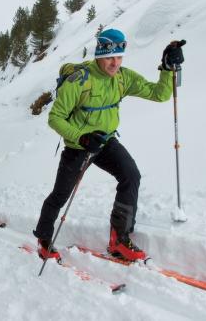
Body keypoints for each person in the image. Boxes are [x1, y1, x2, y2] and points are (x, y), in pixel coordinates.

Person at [33, 28, 184, 261]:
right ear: (99, 55)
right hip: (78, 146)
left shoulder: (123, 77)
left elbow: (159, 94)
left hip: (105, 141)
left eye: (119, 56)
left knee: (131, 175)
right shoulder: (80, 81)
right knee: (61, 195)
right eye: (110, 57)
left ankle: (119, 239)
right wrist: (82, 137)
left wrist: (166, 67)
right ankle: (44, 239)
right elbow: (55, 118)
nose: (115, 63)